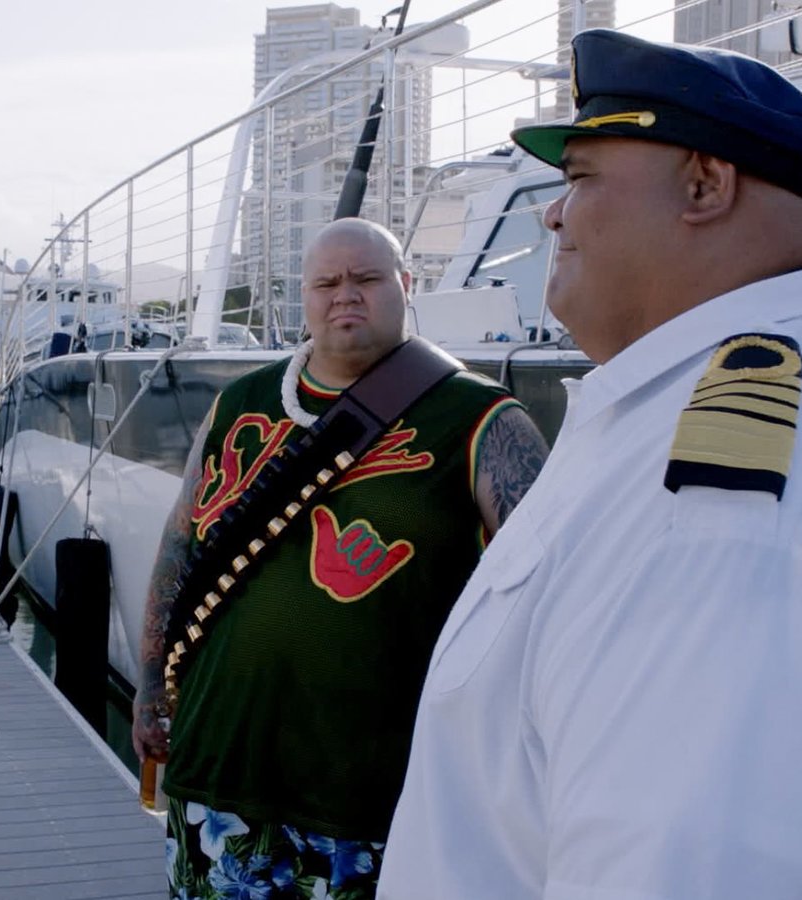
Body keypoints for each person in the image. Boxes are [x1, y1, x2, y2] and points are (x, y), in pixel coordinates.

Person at [381, 29, 802, 898]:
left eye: (581, 177)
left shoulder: (730, 520)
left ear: (704, 185)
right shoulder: (730, 409)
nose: (553, 213)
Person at [131, 217, 550, 897]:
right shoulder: (238, 404)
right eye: (326, 283)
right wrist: (151, 681)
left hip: (368, 804)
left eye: (366, 279)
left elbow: (549, 605)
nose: (344, 295)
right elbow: (181, 546)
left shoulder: (482, 421)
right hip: (213, 777)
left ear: (405, 285)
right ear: (305, 296)